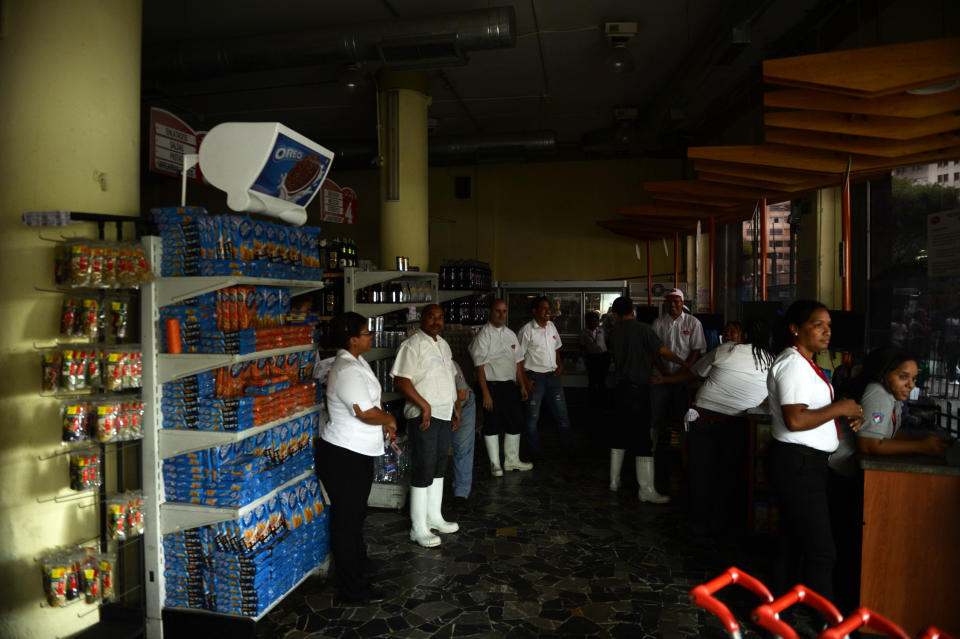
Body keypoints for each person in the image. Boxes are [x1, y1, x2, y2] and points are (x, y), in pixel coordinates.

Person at [765, 300, 864, 599]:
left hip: (808, 463)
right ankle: (826, 623)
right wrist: (839, 408)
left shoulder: (807, 363)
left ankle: (778, 612)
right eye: (817, 324)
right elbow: (795, 419)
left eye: (829, 326)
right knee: (822, 552)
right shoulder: (792, 364)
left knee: (793, 542)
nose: (826, 332)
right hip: (798, 464)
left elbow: (815, 411)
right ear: (795, 328)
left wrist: (846, 414)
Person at [661, 319, 775, 533]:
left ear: (746, 335)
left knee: (701, 472)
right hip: (739, 423)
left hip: (705, 417)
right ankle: (722, 522)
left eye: (734, 330)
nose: (729, 334)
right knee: (728, 473)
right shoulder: (770, 360)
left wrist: (665, 380)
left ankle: (698, 522)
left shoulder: (726, 350)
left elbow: (695, 372)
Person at [316, 312, 396, 605]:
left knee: (354, 519)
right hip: (343, 456)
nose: (371, 336)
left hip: (357, 453)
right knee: (346, 524)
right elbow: (364, 412)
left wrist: (384, 422)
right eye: (366, 333)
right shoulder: (347, 369)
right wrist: (390, 420)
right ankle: (351, 589)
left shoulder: (356, 362)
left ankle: (358, 569)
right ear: (352, 340)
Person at [390, 304, 461, 548]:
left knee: (439, 465)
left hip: (443, 413)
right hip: (423, 416)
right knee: (424, 465)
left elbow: (449, 377)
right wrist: (425, 406)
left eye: (440, 317)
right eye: (431, 316)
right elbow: (401, 380)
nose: (436, 321)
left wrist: (455, 406)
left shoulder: (443, 344)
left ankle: (435, 517)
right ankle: (418, 528)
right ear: (422, 319)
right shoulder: (413, 344)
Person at [607, 297, 688, 503]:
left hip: (620, 390)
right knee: (643, 438)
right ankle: (646, 490)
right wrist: (684, 364)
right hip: (639, 391)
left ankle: (614, 482)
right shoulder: (643, 329)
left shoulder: (613, 333)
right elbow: (661, 351)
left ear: (615, 314)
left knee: (619, 433)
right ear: (633, 310)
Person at [469, 298, 532, 476]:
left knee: (516, 421)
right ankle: (495, 464)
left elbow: (518, 361)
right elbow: (479, 367)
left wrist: (522, 385)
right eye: (498, 311)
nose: (501, 315)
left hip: (510, 386)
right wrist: (486, 393)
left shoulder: (510, 334)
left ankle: (512, 461)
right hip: (492, 385)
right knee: (492, 423)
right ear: (490, 312)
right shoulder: (483, 336)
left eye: (504, 311)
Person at [850, 346, 950, 458]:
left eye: (913, 379)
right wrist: (921, 446)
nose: (911, 385)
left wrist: (924, 442)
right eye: (903, 377)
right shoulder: (878, 393)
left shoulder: (893, 397)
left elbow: (889, 433)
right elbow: (868, 445)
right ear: (882, 375)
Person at [650, 288, 706, 446]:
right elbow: (654, 351)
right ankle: (653, 449)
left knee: (682, 415)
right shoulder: (658, 323)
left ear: (682, 303)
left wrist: (681, 372)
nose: (672, 305)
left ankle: (681, 450)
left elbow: (696, 351)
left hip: (684, 378)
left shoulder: (693, 322)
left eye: (676, 301)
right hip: (661, 376)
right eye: (669, 302)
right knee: (656, 414)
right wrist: (665, 372)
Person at [518, 296, 573, 457]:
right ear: (534, 311)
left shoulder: (551, 326)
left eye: (549, 308)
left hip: (553, 377)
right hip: (535, 378)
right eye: (544, 308)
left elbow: (556, 347)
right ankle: (534, 453)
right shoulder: (526, 330)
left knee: (562, 415)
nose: (548, 311)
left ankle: (567, 450)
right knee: (532, 418)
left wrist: (560, 364)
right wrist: (524, 381)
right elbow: (518, 358)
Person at [450, 359, 477, 511]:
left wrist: (457, 413)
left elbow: (461, 393)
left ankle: (461, 493)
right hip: (434, 407)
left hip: (463, 403)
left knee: (462, 447)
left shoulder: (450, 363)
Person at [580, 311, 610, 414]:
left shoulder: (601, 330)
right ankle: (592, 405)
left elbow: (607, 342)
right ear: (587, 322)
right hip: (592, 359)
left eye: (596, 321)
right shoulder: (584, 333)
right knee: (592, 382)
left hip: (603, 358)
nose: (595, 323)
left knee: (602, 382)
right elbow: (582, 347)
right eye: (592, 321)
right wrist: (584, 359)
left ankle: (603, 404)